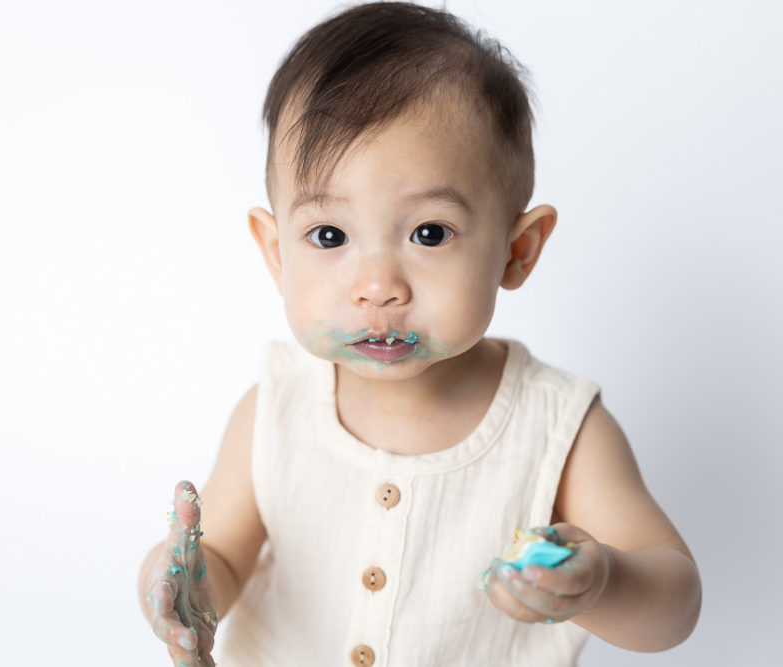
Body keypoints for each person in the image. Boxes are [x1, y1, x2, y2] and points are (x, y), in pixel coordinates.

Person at [138, 3, 701, 665]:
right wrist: (180, 581)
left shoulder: (560, 427)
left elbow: (675, 603)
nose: (378, 285)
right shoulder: (275, 407)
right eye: (329, 235)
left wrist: (603, 578)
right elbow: (223, 558)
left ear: (517, 250)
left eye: (428, 233)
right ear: (275, 250)